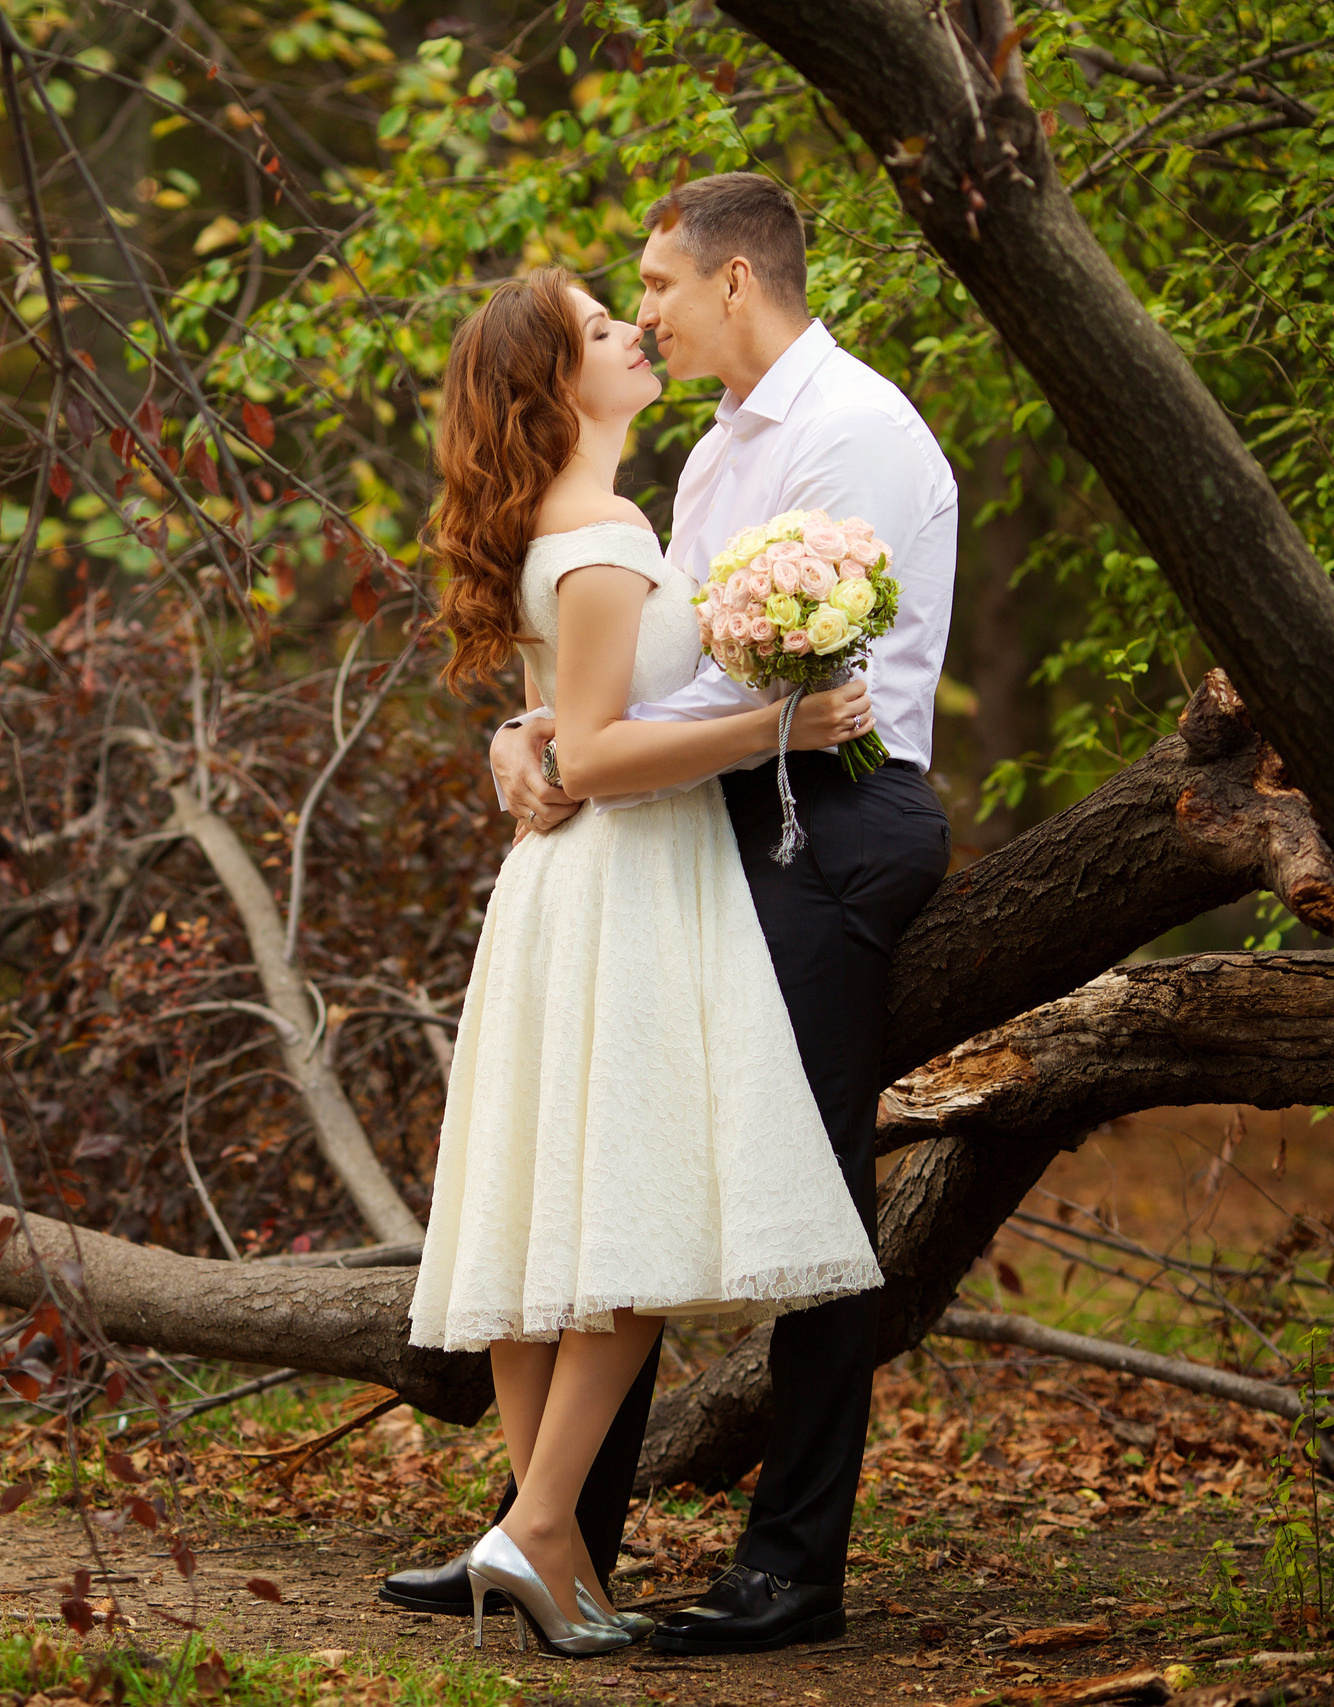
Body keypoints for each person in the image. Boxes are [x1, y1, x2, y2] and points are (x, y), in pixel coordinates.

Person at [487, 174, 960, 1656]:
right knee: (627, 1154)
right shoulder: (706, 459)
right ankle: (554, 1538)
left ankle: (791, 1569)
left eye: (663, 288)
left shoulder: (857, 433)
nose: (647, 314)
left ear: (739, 280)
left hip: (836, 810)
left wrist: (591, 747)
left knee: (805, 1189)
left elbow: (807, 687)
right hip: (716, 806)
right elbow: (646, 662)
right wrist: (542, 741)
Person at [401, 262, 886, 1660]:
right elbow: (608, 758)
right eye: (605, 328)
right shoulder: (604, 532)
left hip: (586, 888)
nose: (636, 332)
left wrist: (532, 731)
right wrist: (775, 731)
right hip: (625, 887)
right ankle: (543, 1527)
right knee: (628, 1216)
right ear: (562, 385)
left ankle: (543, 1539)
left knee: (554, 1213)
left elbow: (570, 724)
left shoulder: (585, 524)